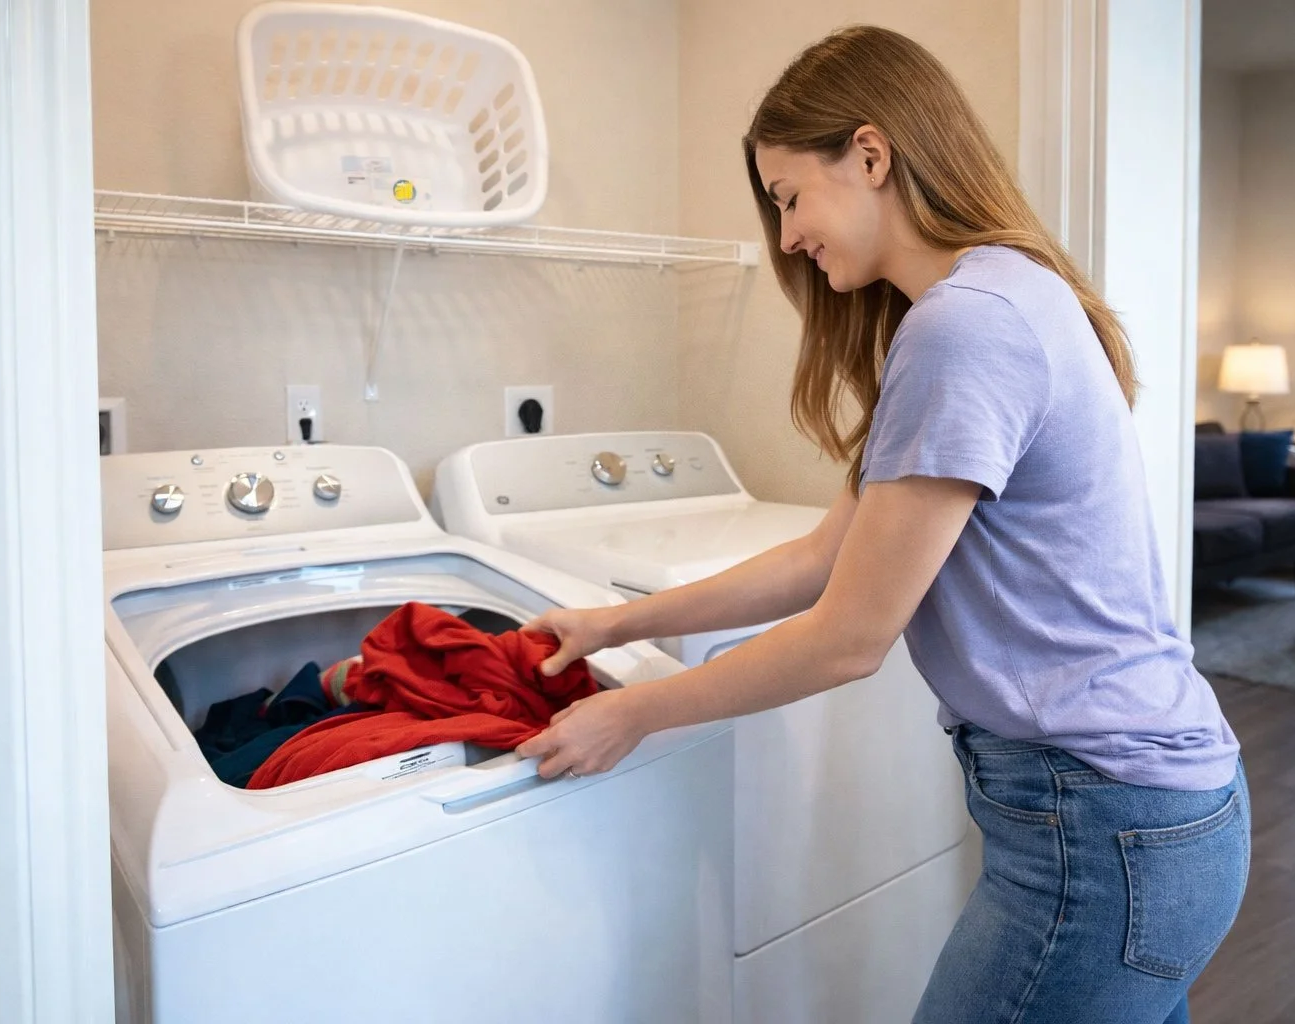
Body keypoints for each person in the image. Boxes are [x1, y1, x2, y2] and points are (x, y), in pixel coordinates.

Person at [514, 25, 1248, 1024]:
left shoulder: (964, 327)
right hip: (1152, 817)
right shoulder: (994, 299)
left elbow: (848, 640)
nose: (786, 239)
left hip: (1100, 827)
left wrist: (634, 712)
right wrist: (614, 625)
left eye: (788, 198)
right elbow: (825, 559)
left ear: (870, 154)